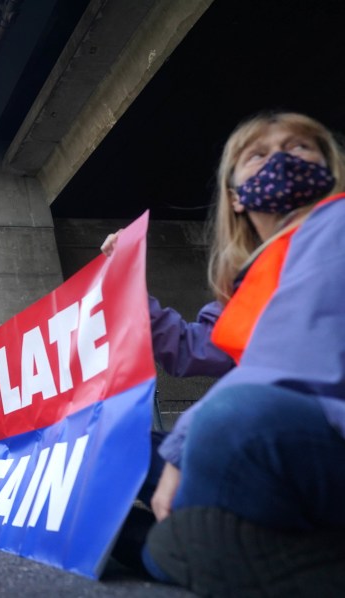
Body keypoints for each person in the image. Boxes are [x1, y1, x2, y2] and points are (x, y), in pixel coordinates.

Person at [136, 112, 345, 593]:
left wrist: (185, 445)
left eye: (299, 148)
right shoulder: (247, 282)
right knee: (121, 448)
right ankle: (193, 545)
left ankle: (172, 549)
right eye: (258, 154)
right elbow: (191, 350)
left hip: (318, 433)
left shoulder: (335, 223)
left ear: (328, 168)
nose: (280, 161)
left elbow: (300, 352)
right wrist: (128, 290)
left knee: (230, 418)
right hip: (280, 444)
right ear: (234, 195)